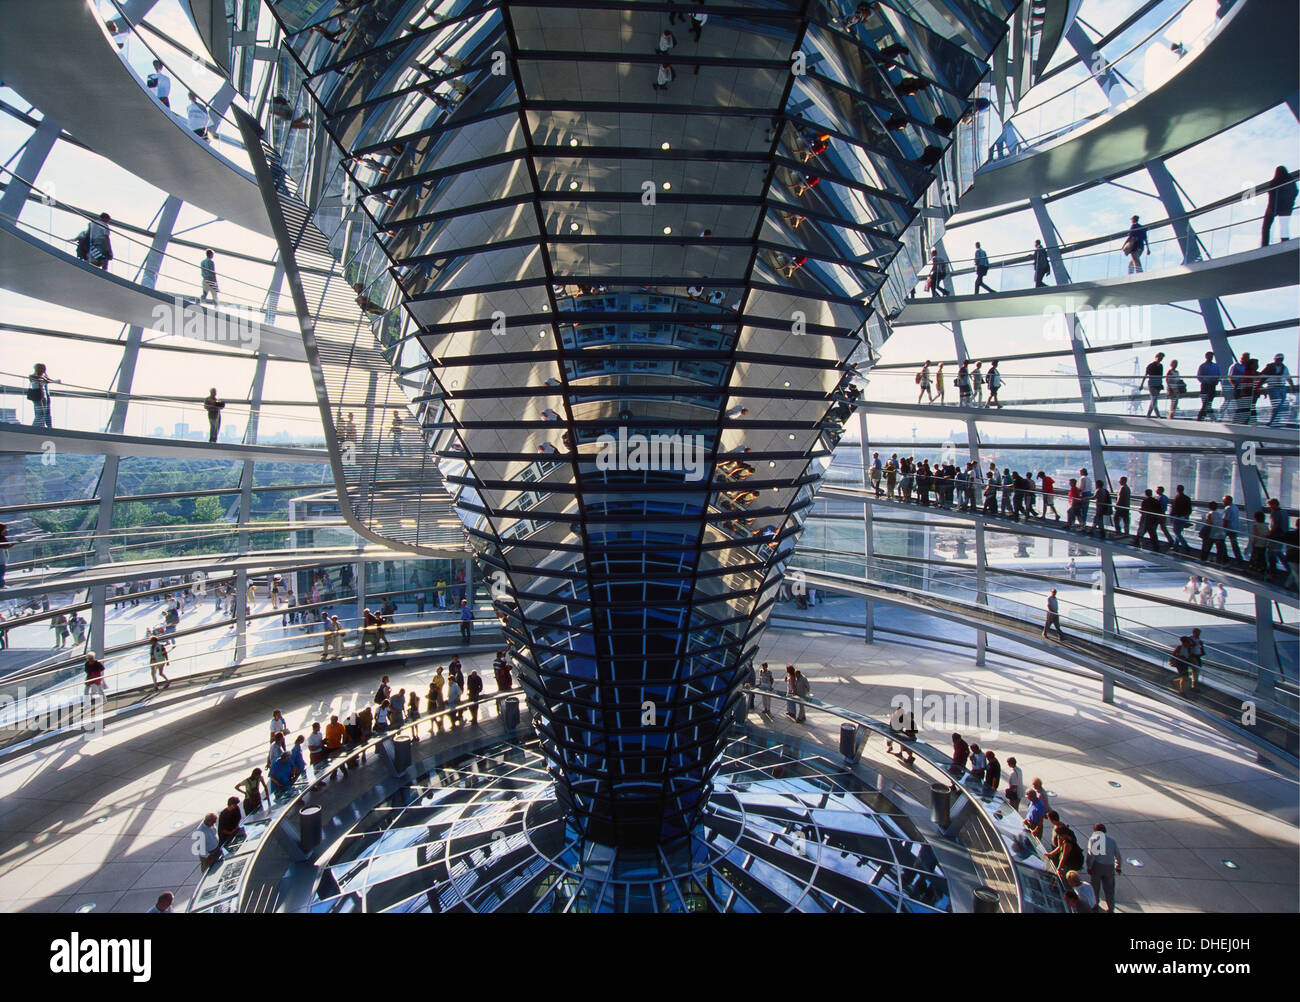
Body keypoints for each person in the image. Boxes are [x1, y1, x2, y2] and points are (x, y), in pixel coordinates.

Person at [1085, 824, 1122, 913]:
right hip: (1109, 867)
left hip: (1097, 866)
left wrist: (1089, 866)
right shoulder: (1112, 841)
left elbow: (1091, 855)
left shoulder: (1093, 839)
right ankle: (1110, 908)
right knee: (1109, 890)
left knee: (1095, 888)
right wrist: (1118, 866)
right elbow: (1118, 855)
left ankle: (1095, 906)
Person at [1261, 165, 1296, 245]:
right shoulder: (1290, 181)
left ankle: (1265, 244)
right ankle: (1285, 241)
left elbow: (1272, 194)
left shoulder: (1275, 182)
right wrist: (1290, 204)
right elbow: (1295, 192)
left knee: (1266, 226)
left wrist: (1271, 208)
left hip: (1275, 206)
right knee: (1284, 225)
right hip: (1284, 207)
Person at [1262, 353, 1296, 426]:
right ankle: (1273, 421)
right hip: (1273, 387)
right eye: (1278, 359)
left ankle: (1275, 421)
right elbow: (1262, 377)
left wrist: (1292, 386)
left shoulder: (1284, 368)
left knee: (1280, 405)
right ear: (1275, 359)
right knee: (1276, 405)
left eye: (1281, 359)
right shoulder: (1270, 367)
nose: (1280, 361)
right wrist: (1261, 386)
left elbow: (1288, 378)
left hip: (1282, 387)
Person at [27, 363, 55, 429]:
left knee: (46, 412)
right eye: (42, 369)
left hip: (44, 396)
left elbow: (48, 380)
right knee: (40, 412)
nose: (43, 370)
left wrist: (47, 379)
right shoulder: (32, 376)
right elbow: (37, 379)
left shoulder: (44, 376)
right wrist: (44, 379)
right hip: (37, 395)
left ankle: (46, 426)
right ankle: (35, 427)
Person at [1196, 351, 1221, 420]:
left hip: (1212, 386)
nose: (1211, 357)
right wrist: (1207, 381)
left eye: (1211, 356)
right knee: (1206, 403)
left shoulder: (1215, 366)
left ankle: (1206, 417)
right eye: (1209, 356)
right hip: (1205, 386)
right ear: (1206, 357)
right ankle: (1201, 417)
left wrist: (1216, 381)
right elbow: (1199, 377)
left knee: (1208, 403)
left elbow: (1218, 375)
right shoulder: (1202, 366)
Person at [1143, 352, 1165, 417]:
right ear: (1156, 357)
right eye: (1160, 357)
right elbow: (1145, 375)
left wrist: (1161, 384)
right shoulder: (1151, 365)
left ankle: (1148, 415)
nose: (1161, 359)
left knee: (1153, 400)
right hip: (1152, 384)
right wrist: (1141, 384)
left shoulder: (1161, 366)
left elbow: (1161, 376)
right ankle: (1158, 416)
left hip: (1158, 384)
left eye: (1162, 358)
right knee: (1154, 400)